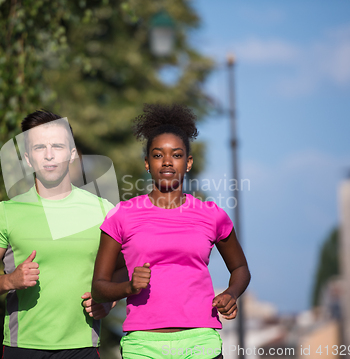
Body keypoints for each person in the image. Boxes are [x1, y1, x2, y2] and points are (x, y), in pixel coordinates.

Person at [91, 103, 251, 359]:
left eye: (176, 155)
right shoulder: (122, 214)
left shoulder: (211, 214)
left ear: (188, 163)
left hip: (201, 340)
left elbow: (240, 268)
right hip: (143, 344)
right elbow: (99, 286)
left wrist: (231, 294)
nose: (167, 161)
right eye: (157, 155)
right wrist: (129, 288)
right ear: (147, 163)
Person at [0, 110, 118, 359]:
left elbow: (122, 270)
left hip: (83, 348)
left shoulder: (104, 211)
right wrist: (8, 281)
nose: (49, 155)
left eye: (57, 145)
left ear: (72, 153)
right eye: (39, 147)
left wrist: (108, 301)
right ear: (27, 158)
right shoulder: (6, 213)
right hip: (23, 348)